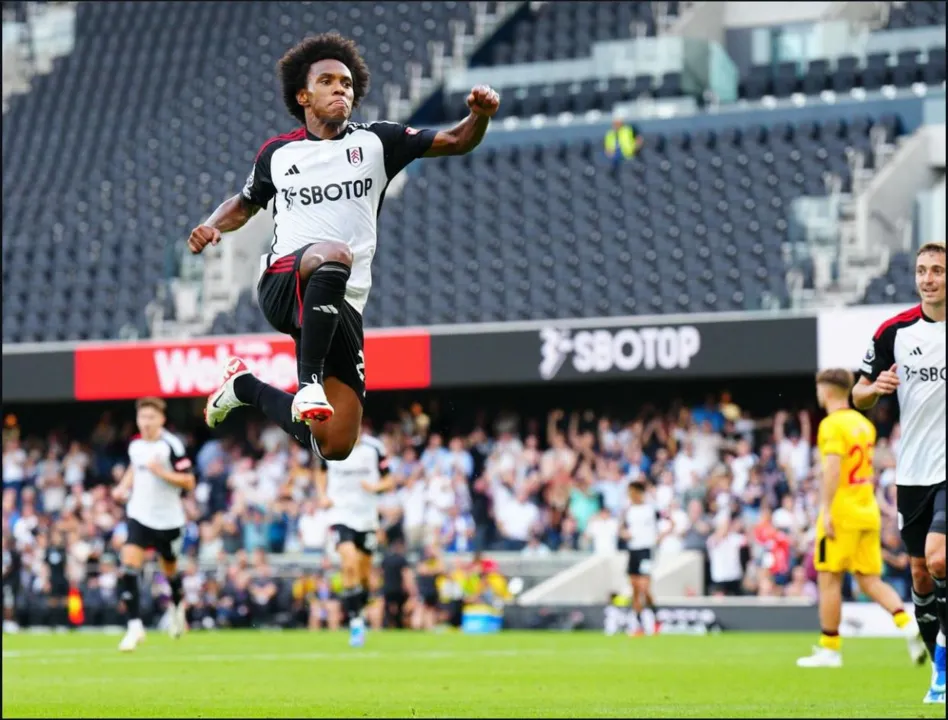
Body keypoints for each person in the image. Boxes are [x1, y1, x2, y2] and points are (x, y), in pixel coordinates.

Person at [196, 33, 500, 463]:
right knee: (335, 253)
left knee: (335, 444)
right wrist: (211, 226)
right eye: (328, 81)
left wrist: (480, 117)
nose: (341, 88)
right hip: (285, 281)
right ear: (303, 95)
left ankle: (244, 386)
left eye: (347, 83)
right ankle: (308, 384)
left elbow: (456, 141)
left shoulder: (377, 142)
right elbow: (245, 203)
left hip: (344, 301)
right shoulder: (279, 154)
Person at [852, 242, 946, 704]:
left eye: (938, 271)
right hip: (914, 471)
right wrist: (876, 388)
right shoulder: (896, 330)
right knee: (920, 576)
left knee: (939, 558)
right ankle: (939, 667)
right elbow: (858, 393)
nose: (929, 279)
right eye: (923, 271)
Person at [797, 369, 927, 669]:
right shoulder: (862, 424)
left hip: (841, 512)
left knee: (829, 579)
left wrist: (826, 510)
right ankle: (908, 624)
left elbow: (832, 469)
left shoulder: (832, 425)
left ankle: (830, 648)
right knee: (869, 580)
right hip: (866, 510)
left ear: (825, 391)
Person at [111, 397, 196, 652]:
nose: (146, 422)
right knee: (128, 568)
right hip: (139, 515)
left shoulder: (172, 445)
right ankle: (135, 627)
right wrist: (122, 488)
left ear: (161, 419)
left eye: (151, 417)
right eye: (142, 417)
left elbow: (189, 481)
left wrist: (162, 473)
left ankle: (178, 607)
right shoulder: (136, 445)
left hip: (168, 520)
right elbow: (134, 469)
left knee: (170, 572)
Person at [318, 429, 393, 647]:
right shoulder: (331, 443)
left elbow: (390, 480)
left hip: (367, 518)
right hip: (340, 514)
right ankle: (355, 622)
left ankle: (358, 613)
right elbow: (320, 471)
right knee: (348, 561)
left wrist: (375, 487)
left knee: (364, 574)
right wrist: (322, 495)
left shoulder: (375, 448)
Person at [620, 481, 659, 636]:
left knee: (644, 587)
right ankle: (639, 625)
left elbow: (669, 521)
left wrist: (659, 537)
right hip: (633, 550)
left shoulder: (650, 508)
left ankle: (655, 617)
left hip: (646, 550)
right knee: (635, 588)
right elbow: (621, 528)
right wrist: (624, 533)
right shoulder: (628, 510)